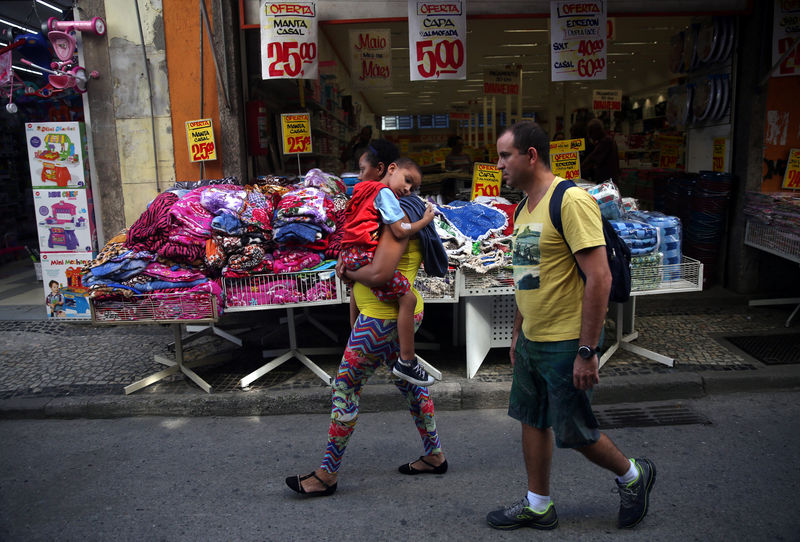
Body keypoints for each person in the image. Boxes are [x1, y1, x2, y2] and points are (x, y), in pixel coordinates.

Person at [486, 121, 655, 531]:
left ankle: (633, 476)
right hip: (533, 339)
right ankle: (538, 503)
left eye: (505, 155)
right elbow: (529, 275)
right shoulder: (524, 208)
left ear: (530, 156)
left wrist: (587, 349)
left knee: (576, 431)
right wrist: (518, 331)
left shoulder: (571, 200)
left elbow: (600, 278)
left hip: (566, 341)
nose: (498, 164)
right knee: (532, 419)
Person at [285, 173, 448, 497]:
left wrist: (348, 270)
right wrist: (353, 300)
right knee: (409, 386)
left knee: (346, 387)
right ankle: (434, 454)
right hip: (383, 318)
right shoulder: (395, 215)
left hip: (381, 321)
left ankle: (326, 475)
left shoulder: (397, 219)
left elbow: (379, 273)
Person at [339, 158, 436, 386]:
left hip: (374, 310)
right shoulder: (389, 198)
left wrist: (347, 267)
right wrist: (426, 220)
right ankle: (408, 361)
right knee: (408, 299)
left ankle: (404, 362)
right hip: (377, 314)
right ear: (390, 169)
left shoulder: (363, 192)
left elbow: (369, 275)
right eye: (408, 181)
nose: (408, 189)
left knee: (347, 387)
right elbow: (400, 231)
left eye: (414, 187)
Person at [581, 118, 621, 184]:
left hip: (607, 181)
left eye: (591, 133)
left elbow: (592, 159)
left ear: (597, 131)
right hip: (609, 180)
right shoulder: (607, 140)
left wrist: (578, 170)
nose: (590, 136)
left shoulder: (606, 141)